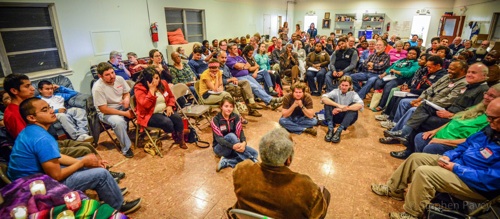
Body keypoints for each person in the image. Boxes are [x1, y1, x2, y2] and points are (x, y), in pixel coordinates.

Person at [371, 97, 500, 219]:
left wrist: (456, 168)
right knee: (415, 158)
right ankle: (394, 189)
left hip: (476, 184)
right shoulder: (490, 129)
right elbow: (465, 145)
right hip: (459, 164)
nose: (488, 121)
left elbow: (490, 179)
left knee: (425, 173)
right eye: (488, 117)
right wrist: (449, 156)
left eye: (492, 118)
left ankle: (412, 214)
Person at [7, 97, 142, 214]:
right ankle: (117, 207)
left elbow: (57, 156)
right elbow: (56, 175)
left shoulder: (32, 131)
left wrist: (85, 161)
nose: (50, 111)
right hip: (33, 189)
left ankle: (108, 192)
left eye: (49, 107)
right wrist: (83, 162)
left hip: (32, 179)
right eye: (44, 110)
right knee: (102, 174)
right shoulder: (42, 138)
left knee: (86, 164)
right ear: (31, 117)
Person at [389, 62, 489, 159]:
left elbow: (473, 113)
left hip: (455, 118)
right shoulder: (469, 85)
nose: (470, 74)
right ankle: (406, 135)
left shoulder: (483, 90)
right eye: (469, 72)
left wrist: (452, 115)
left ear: (484, 75)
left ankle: (408, 145)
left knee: (423, 120)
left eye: (474, 73)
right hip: (446, 111)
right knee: (423, 107)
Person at [230, 128, 330, 219]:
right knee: (325, 194)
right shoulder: (306, 187)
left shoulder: (241, 169)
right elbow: (318, 214)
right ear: (288, 160)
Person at [414, 84, 500, 154]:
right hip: (441, 136)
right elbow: (455, 121)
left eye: (491, 96)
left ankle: (426, 169)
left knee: (431, 148)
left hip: (454, 143)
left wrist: (443, 141)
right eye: (486, 93)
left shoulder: (493, 120)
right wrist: (434, 131)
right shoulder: (478, 107)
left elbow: (473, 140)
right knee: (420, 137)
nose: (486, 97)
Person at [134, 67, 187, 149]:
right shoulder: (139, 88)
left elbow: (171, 97)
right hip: (149, 114)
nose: (156, 81)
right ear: (147, 80)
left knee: (178, 118)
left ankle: (181, 140)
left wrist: (169, 106)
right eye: (153, 79)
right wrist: (151, 91)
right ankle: (177, 132)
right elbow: (145, 105)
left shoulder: (163, 83)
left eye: (157, 78)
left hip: (164, 110)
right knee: (168, 123)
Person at [92, 62, 135, 158]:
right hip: (107, 112)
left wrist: (126, 99)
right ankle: (126, 148)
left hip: (121, 105)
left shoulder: (119, 79)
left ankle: (143, 132)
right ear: (100, 76)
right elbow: (103, 109)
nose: (112, 76)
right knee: (119, 122)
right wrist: (124, 113)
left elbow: (126, 92)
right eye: (107, 75)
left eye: (112, 72)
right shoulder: (97, 88)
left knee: (139, 108)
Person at [226, 43, 283, 109]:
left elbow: (248, 65)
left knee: (259, 86)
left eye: (236, 48)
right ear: (229, 50)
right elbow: (238, 66)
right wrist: (243, 66)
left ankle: (271, 103)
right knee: (254, 87)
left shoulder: (239, 57)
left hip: (247, 75)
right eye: (234, 49)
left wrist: (242, 66)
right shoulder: (228, 59)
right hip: (239, 77)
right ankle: (271, 100)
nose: (236, 50)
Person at [211, 97, 258, 172]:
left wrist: (243, 143)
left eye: (231, 106)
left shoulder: (236, 117)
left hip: (234, 146)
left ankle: (227, 162)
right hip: (220, 148)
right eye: (226, 106)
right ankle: (252, 160)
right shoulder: (215, 119)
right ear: (221, 107)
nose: (229, 109)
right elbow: (219, 139)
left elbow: (241, 132)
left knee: (255, 153)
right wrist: (232, 146)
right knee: (231, 136)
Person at [372, 47, 421, 112]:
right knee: (378, 82)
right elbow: (391, 67)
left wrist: (396, 71)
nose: (411, 55)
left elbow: (409, 73)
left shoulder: (416, 64)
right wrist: (384, 74)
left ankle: (381, 105)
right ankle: (375, 102)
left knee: (388, 85)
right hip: (392, 76)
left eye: (414, 54)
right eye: (409, 53)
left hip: (403, 79)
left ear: (417, 55)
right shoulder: (402, 60)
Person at [218, 51, 262, 117]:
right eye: (222, 58)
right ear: (218, 57)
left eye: (225, 58)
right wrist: (230, 79)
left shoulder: (225, 66)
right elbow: (219, 82)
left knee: (245, 83)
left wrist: (234, 79)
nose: (224, 59)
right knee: (243, 89)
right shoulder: (215, 67)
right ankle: (250, 110)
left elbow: (230, 76)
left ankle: (252, 102)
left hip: (231, 83)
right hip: (224, 87)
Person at [322, 76, 363, 143]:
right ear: (340, 85)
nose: (344, 87)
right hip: (335, 116)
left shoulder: (353, 94)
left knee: (354, 106)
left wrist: (343, 109)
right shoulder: (335, 91)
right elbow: (323, 99)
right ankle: (330, 128)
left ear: (350, 86)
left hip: (348, 118)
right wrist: (338, 106)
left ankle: (339, 131)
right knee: (328, 102)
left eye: (346, 85)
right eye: (342, 85)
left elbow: (360, 105)